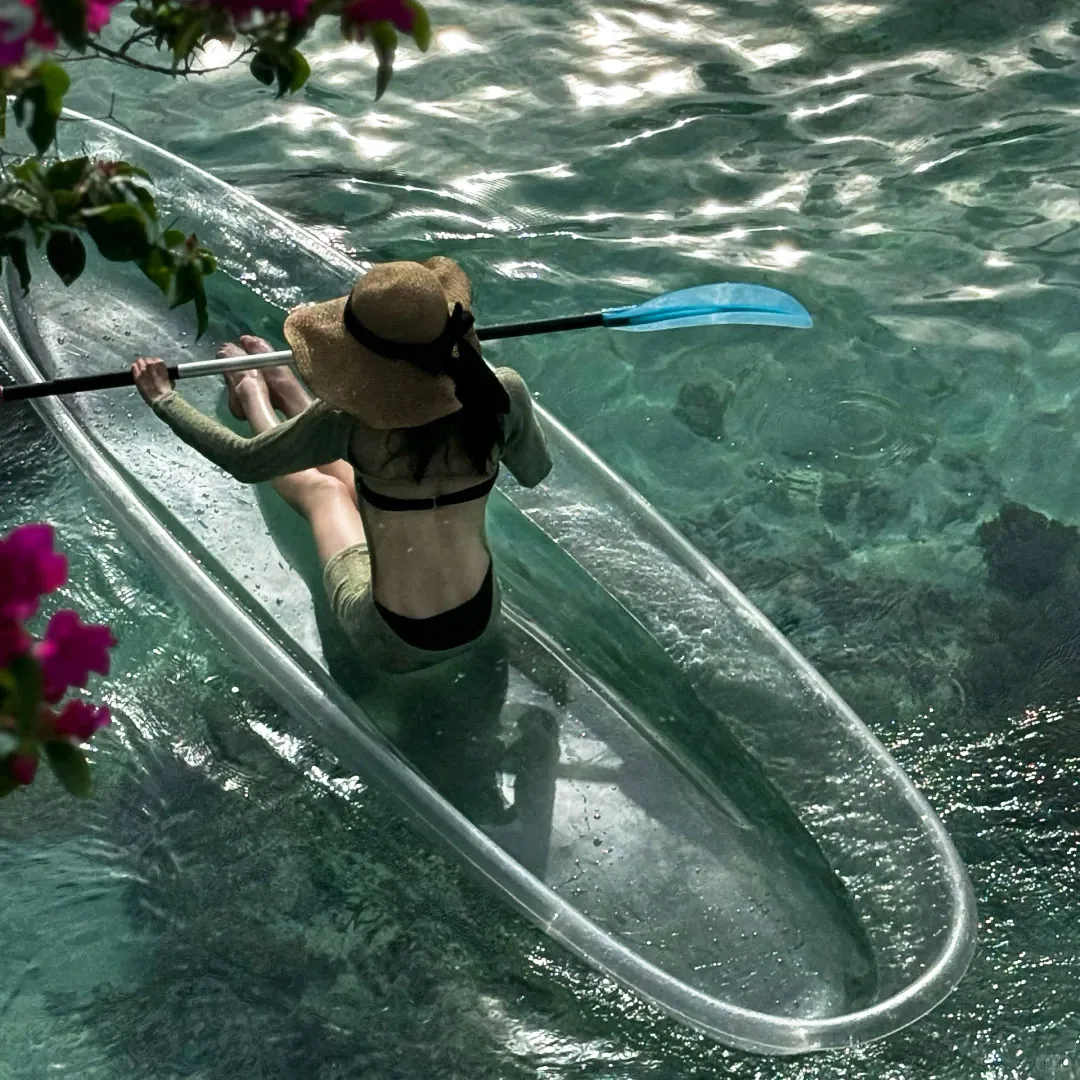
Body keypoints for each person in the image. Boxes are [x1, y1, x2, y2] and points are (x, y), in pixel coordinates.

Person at [130, 256, 552, 675]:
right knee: (386, 481)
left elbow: (246, 460)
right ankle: (285, 388)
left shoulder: (348, 424)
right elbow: (535, 472)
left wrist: (163, 399)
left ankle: (253, 392)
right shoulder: (501, 394)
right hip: (481, 616)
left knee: (327, 492)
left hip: (392, 640)